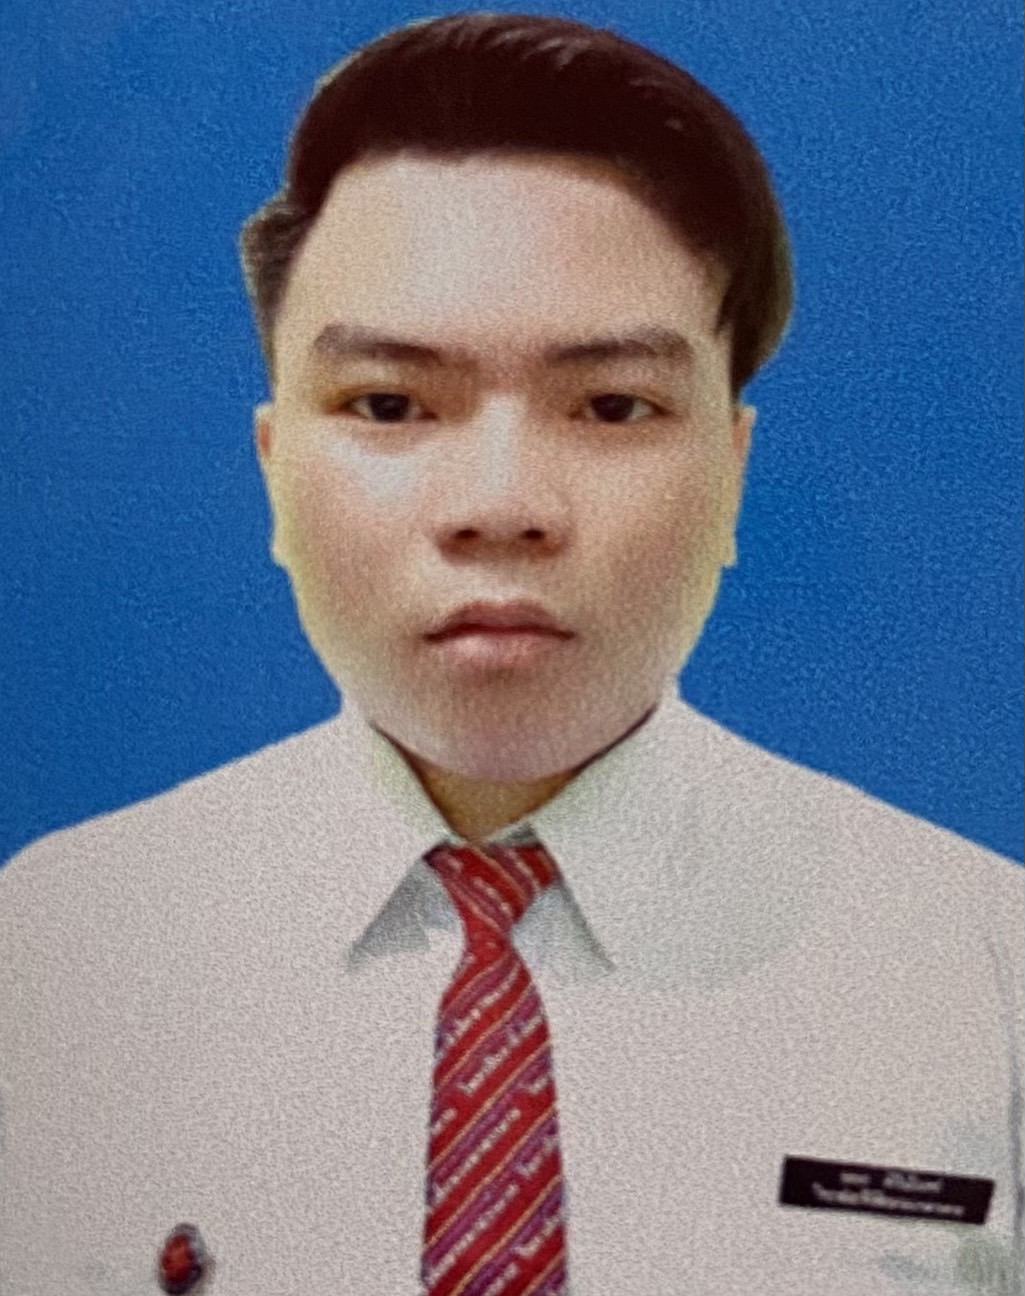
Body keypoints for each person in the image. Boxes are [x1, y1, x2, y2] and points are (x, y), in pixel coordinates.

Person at [0, 12, 1021, 1296]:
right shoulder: (52, 957)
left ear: (731, 473)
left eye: (611, 406)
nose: (500, 504)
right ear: (273, 469)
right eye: (388, 404)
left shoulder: (979, 973)